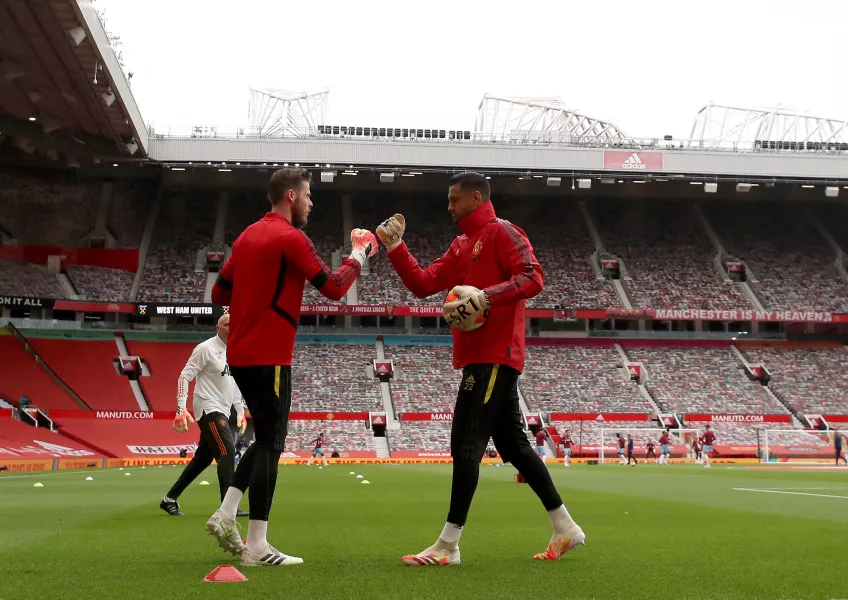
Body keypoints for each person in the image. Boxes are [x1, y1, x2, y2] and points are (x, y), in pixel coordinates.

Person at [377, 171, 584, 566]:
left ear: (476, 197)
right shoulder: (461, 245)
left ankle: (448, 545)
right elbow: (423, 284)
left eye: (455, 200)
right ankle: (565, 527)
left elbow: (533, 277)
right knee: (515, 447)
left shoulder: (504, 232)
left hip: (495, 355)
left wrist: (486, 296)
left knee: (466, 442)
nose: (449, 206)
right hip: (480, 355)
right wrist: (396, 247)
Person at [205, 167, 378, 567]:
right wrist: (359, 254)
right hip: (271, 354)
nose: (311, 202)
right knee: (272, 444)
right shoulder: (291, 238)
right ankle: (256, 546)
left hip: (242, 355)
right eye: (308, 195)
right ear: (290, 197)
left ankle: (226, 513)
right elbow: (334, 288)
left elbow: (218, 292)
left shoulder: (246, 236)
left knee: (265, 440)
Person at [160, 314, 248, 517]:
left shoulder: (235, 351)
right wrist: (181, 408)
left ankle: (169, 499)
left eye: (234, 324)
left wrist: (241, 411)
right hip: (208, 408)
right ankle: (228, 508)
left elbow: (235, 384)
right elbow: (184, 376)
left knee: (203, 459)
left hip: (224, 409)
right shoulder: (205, 349)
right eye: (226, 324)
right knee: (227, 451)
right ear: (218, 327)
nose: (230, 327)